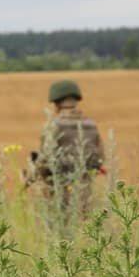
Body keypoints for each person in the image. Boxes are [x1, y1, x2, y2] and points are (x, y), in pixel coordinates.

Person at [29, 78, 105, 217]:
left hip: (58, 193)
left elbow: (45, 161)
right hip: (85, 192)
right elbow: (101, 158)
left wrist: (34, 175)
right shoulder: (91, 125)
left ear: (56, 103)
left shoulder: (54, 125)